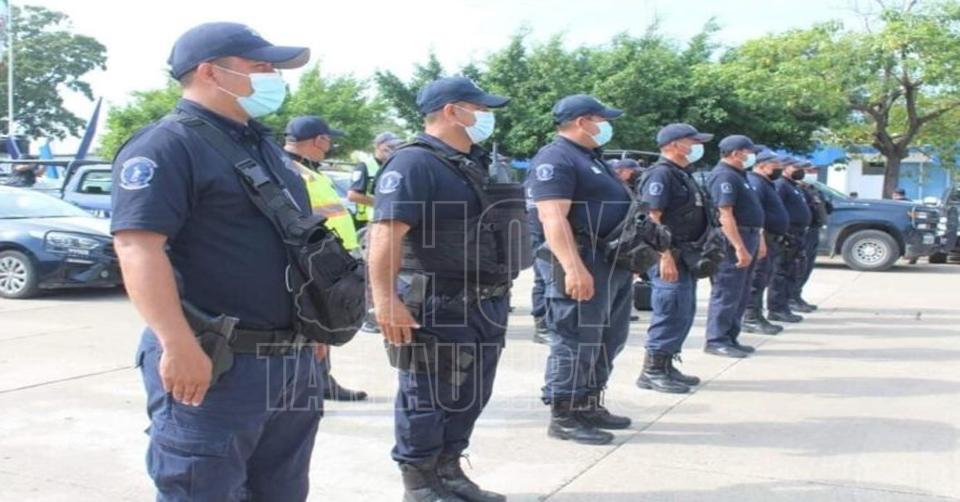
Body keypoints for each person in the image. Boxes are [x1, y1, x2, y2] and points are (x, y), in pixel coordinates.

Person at [111, 22, 325, 500]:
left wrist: (311, 329)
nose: (272, 77)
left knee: (282, 491)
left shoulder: (263, 147)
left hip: (289, 361)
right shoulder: (166, 145)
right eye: (260, 66)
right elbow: (138, 247)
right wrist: (177, 343)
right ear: (210, 72)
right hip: (215, 360)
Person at [368, 76, 514, 502]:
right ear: (452, 111)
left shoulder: (470, 163)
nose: (486, 117)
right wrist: (385, 300)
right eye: (480, 109)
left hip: (484, 303)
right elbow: (386, 234)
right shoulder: (414, 163)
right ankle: (419, 483)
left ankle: (448, 471)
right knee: (429, 397)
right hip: (437, 304)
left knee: (471, 394)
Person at [529, 94, 633, 446]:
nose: (605, 125)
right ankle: (565, 414)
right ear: (582, 121)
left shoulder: (591, 157)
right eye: (601, 119)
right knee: (575, 339)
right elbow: (552, 217)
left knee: (608, 338)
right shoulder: (556, 157)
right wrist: (573, 268)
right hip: (581, 259)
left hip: (611, 263)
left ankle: (588, 403)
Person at [283, 115, 369, 402]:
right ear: (319, 140)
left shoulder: (307, 168)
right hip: (313, 259)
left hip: (330, 258)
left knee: (325, 319)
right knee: (313, 319)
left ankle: (321, 380)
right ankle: (310, 383)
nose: (330, 146)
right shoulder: (290, 169)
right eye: (329, 140)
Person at [636, 123, 714, 393]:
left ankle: (666, 364)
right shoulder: (661, 174)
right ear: (673, 145)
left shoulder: (681, 174)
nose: (696, 147)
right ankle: (652, 370)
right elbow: (651, 217)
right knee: (670, 310)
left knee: (683, 311)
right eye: (692, 141)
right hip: (670, 255)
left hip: (687, 255)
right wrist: (664, 256)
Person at [703, 135, 766, 358]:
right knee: (727, 291)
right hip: (733, 238)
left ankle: (730, 337)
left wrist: (758, 240)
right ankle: (717, 339)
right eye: (750, 152)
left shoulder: (740, 175)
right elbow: (725, 214)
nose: (753, 156)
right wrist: (738, 246)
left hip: (749, 235)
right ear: (737, 153)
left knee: (740, 291)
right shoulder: (724, 176)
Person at [742, 151, 789, 335]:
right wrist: (760, 239)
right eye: (775, 165)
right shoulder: (756, 183)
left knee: (763, 278)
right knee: (756, 279)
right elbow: (757, 214)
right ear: (762, 165)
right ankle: (751, 317)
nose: (779, 168)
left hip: (771, 239)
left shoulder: (766, 183)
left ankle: (757, 315)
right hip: (762, 238)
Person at [769, 158, 811, 324]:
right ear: (785, 168)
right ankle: (777, 308)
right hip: (787, 234)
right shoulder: (781, 185)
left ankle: (786, 304)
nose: (801, 171)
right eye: (796, 167)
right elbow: (777, 209)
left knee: (792, 271)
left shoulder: (794, 186)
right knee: (780, 272)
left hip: (798, 233)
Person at [349, 131, 404, 230]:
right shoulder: (364, 166)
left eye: (396, 146)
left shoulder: (392, 166)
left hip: (387, 219)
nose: (393, 149)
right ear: (378, 145)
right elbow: (353, 196)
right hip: (368, 222)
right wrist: (383, 203)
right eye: (390, 145)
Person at [793, 160, 828, 313]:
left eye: (814, 171)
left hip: (814, 229)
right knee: (798, 267)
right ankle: (791, 297)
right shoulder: (797, 188)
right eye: (809, 171)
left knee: (807, 266)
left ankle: (797, 295)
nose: (813, 174)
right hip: (803, 231)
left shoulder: (813, 189)